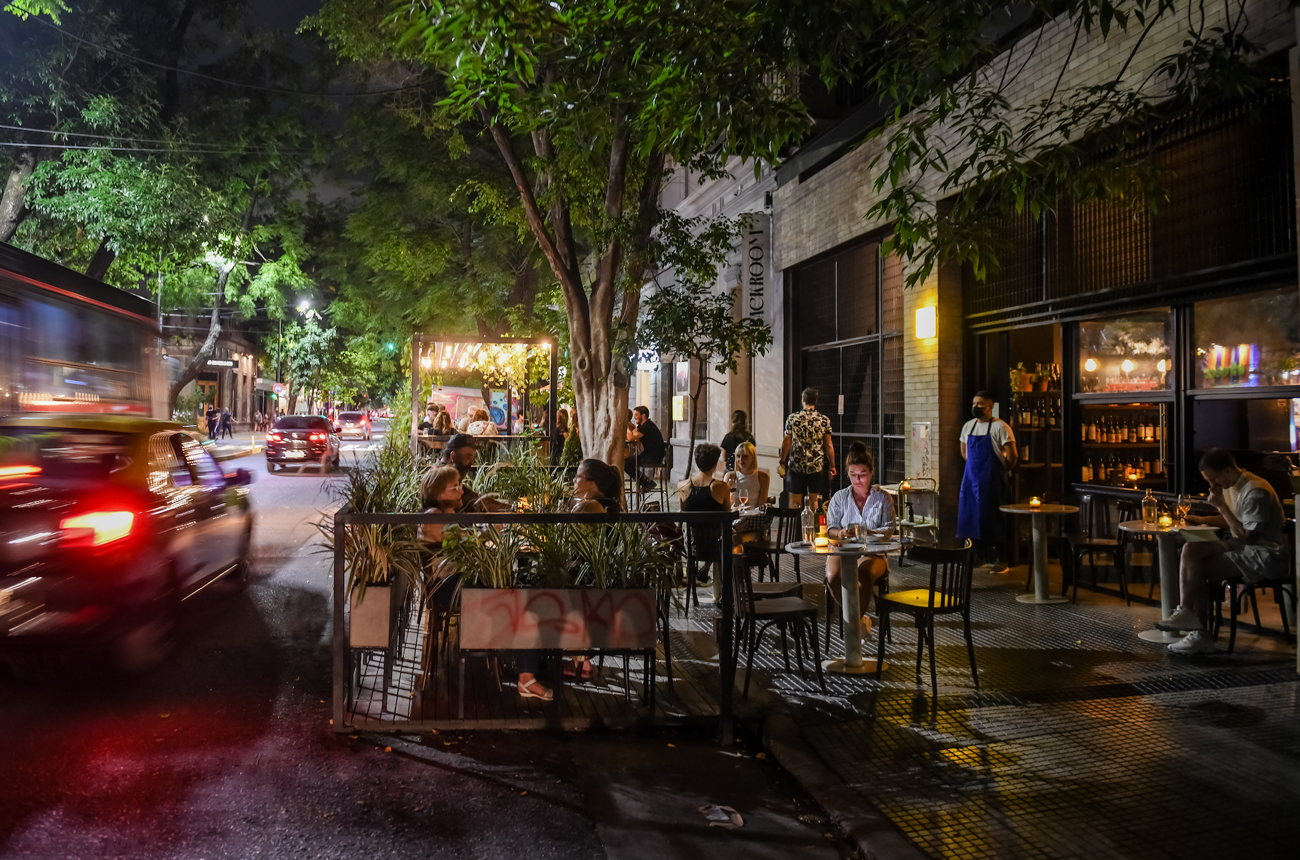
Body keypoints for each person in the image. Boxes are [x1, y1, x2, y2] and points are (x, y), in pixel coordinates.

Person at [1155, 448, 1288, 654]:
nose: (1211, 485)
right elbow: (1233, 520)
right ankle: (1186, 612)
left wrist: (1221, 507)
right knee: (1192, 548)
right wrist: (1200, 520)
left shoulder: (1256, 491)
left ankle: (1200, 635)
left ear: (1227, 471)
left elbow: (1247, 535)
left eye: (1213, 479)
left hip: (1264, 554)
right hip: (1240, 546)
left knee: (1197, 570)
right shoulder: (1231, 484)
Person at [824, 442, 897, 641]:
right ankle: (859, 620)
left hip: (873, 552)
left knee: (863, 573)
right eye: (853, 474)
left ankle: (852, 628)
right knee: (832, 576)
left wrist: (866, 531)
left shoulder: (883, 498)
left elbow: (889, 529)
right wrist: (841, 534)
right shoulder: (840, 497)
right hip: (843, 550)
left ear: (871, 473)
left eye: (863, 474)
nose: (858, 479)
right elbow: (831, 528)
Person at [956, 389, 1017, 574]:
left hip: (993, 479)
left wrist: (1004, 470)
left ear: (990, 407)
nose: (975, 407)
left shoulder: (1001, 427)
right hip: (971, 479)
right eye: (974, 404)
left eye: (980, 404)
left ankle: (1001, 558)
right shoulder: (968, 426)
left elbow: (1012, 455)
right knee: (972, 515)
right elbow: (964, 452)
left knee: (996, 516)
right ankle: (979, 555)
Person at [779, 388, 835, 510]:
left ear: (803, 400)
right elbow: (828, 445)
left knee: (795, 501)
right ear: (816, 401)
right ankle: (812, 527)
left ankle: (795, 527)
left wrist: (782, 462)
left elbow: (786, 442)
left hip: (797, 465)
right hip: (816, 466)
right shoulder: (824, 420)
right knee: (813, 501)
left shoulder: (793, 418)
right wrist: (832, 465)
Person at [417, 465, 464, 546]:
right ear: (437, 494)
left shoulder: (447, 511)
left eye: (459, 486)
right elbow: (457, 544)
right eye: (455, 488)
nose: (461, 492)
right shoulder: (433, 516)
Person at [625, 405, 666, 490]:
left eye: (636, 415)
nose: (634, 417)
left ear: (643, 415)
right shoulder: (642, 426)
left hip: (653, 456)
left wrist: (625, 425)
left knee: (627, 464)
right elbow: (634, 434)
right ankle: (646, 482)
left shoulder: (647, 426)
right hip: (649, 454)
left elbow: (630, 437)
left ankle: (647, 483)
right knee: (627, 462)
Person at [724, 441, 770, 510]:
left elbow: (761, 506)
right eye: (738, 456)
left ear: (753, 457)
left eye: (745, 456)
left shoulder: (763, 477)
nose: (741, 460)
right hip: (736, 514)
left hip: (754, 515)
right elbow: (724, 504)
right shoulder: (730, 476)